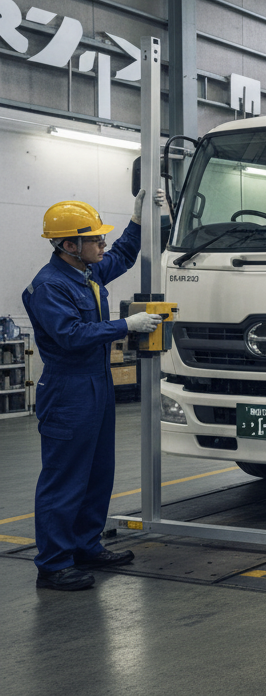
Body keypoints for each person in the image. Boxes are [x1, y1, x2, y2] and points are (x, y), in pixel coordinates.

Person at [22, 192, 165, 591]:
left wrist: (138, 219)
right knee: (65, 478)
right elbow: (70, 335)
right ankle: (53, 564)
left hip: (97, 384)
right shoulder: (50, 286)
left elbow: (123, 254)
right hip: (68, 389)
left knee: (98, 474)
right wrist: (126, 326)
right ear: (69, 245)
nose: (103, 244)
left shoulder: (88, 273)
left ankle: (85, 545)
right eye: (95, 239)